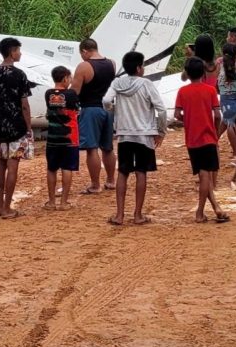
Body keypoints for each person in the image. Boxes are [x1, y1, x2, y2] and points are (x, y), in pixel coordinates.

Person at [103, 51, 167, 226]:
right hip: (144, 135)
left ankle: (119, 215)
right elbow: (161, 110)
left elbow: (106, 100)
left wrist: (114, 111)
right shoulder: (146, 84)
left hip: (124, 134)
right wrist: (161, 131)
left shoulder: (117, 83)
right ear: (139, 68)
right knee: (141, 172)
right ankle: (138, 215)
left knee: (123, 172)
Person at [175, 57, 229, 223]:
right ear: (203, 73)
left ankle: (216, 207)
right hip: (208, 137)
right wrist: (215, 131)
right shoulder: (210, 90)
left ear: (187, 73)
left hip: (192, 139)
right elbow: (218, 115)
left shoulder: (182, 91)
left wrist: (188, 120)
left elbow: (177, 115)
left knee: (203, 174)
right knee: (206, 176)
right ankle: (200, 212)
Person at [0, 37, 33, 219]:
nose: (20, 53)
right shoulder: (19, 75)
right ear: (12, 52)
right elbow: (24, 104)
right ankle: (7, 207)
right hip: (16, 126)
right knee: (13, 165)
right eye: (18, 50)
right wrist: (28, 127)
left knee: (1, 164)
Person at [72, 39, 116, 194]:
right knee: (108, 147)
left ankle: (95, 185)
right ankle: (111, 180)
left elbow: (74, 92)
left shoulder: (84, 66)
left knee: (92, 149)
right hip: (108, 109)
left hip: (90, 109)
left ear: (84, 51)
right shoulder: (112, 63)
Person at [44, 66, 79, 211]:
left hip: (52, 137)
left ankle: (51, 202)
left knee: (51, 168)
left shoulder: (48, 94)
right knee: (67, 168)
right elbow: (77, 109)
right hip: (69, 137)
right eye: (69, 78)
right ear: (65, 78)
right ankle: (64, 202)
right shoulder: (71, 94)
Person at [218, 43, 236, 185]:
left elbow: (217, 89)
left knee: (214, 136)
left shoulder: (219, 71)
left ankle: (210, 173)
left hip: (226, 108)